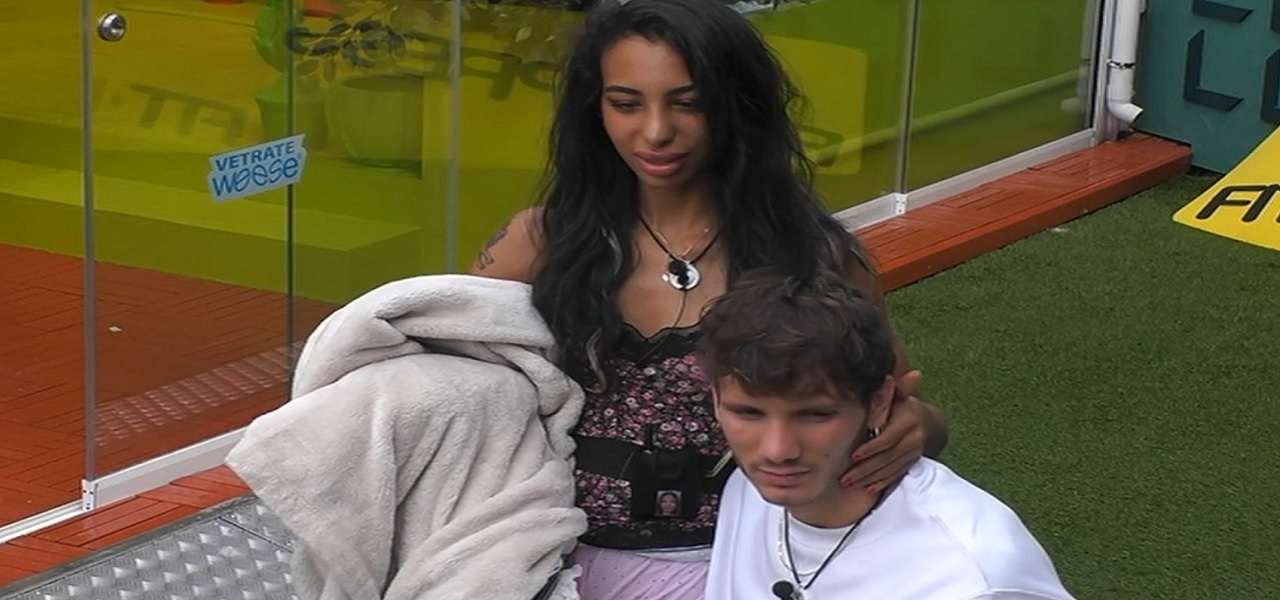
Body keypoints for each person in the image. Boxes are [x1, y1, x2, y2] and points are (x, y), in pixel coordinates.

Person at [470, 0, 947, 597]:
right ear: (594, 109)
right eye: (626, 103)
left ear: (736, 104)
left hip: (749, 563)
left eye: (688, 103)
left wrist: (919, 427)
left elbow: (893, 402)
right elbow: (447, 392)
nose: (655, 131)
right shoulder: (538, 243)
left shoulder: (813, 255)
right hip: (548, 560)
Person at [700, 270, 1073, 600]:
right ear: (715, 399)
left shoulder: (973, 579)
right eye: (747, 413)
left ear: (878, 402)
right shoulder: (746, 492)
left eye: (816, 414)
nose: (777, 450)